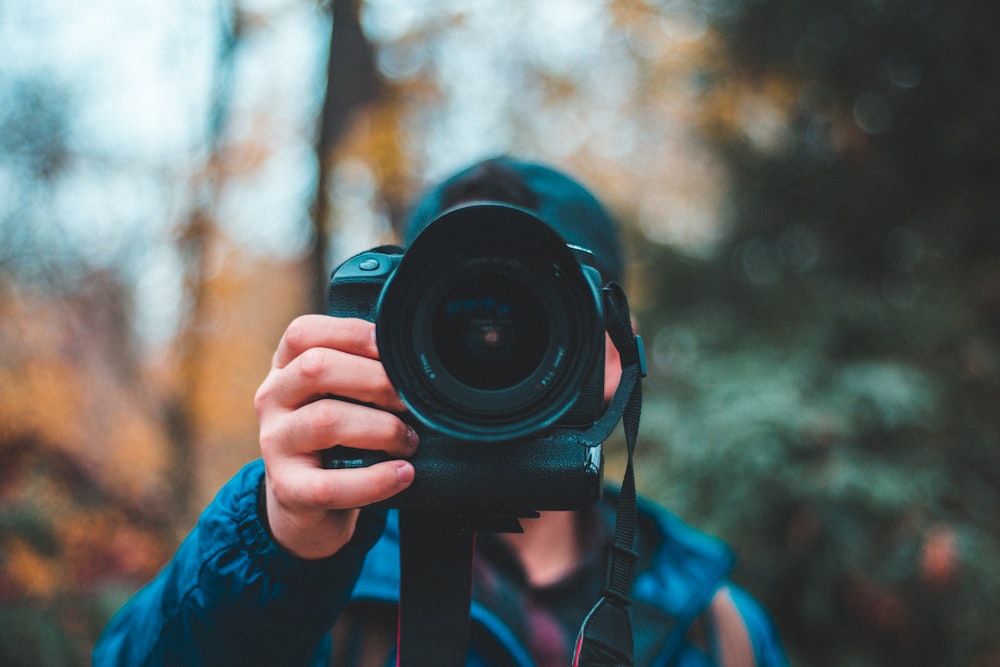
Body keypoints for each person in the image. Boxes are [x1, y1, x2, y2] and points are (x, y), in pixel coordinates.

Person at [94, 157, 788, 666]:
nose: (490, 339)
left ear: (614, 348)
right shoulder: (325, 579)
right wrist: (275, 542)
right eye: (459, 312)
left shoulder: (720, 630)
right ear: (391, 329)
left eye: (535, 314)